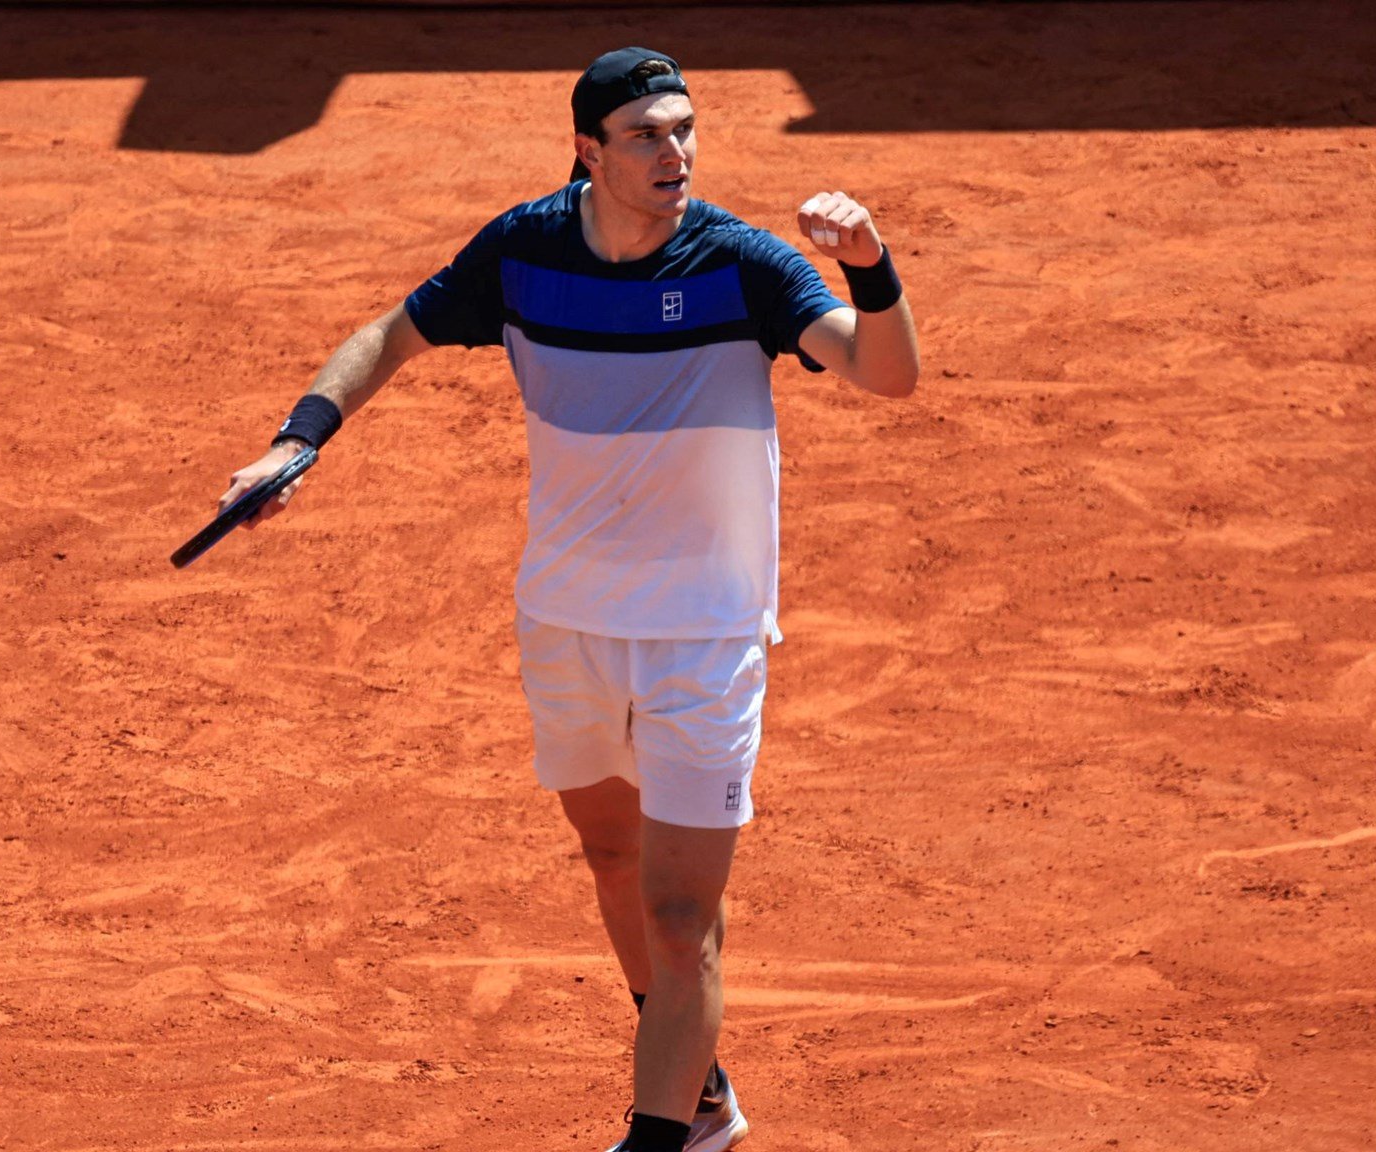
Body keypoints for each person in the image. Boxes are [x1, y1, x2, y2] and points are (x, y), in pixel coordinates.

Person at [216, 46, 919, 1152]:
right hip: (565, 618)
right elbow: (390, 335)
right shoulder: (524, 249)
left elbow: (886, 371)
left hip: (702, 630)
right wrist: (294, 441)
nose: (673, 152)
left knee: (681, 918)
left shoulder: (739, 264)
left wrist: (871, 266)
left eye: (683, 129)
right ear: (587, 150)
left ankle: (659, 1135)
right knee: (611, 861)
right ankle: (700, 1093)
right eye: (645, 134)